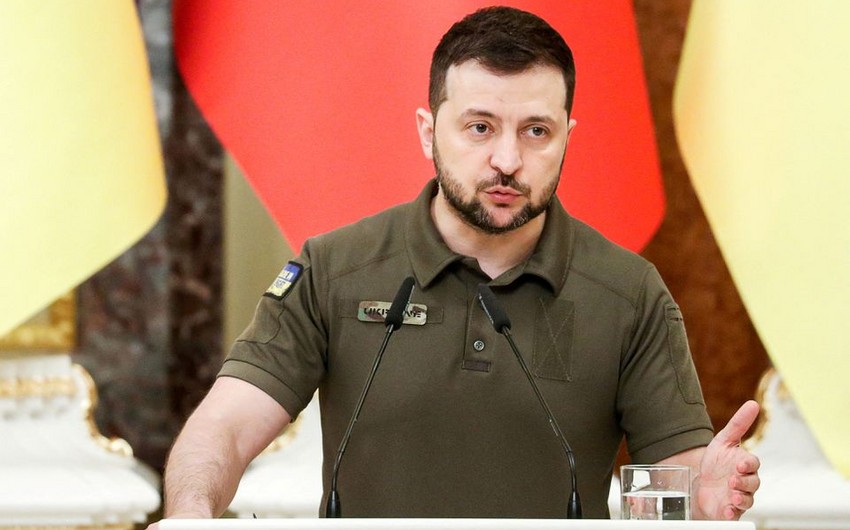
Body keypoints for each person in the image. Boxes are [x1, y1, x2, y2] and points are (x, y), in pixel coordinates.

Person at [150, 6, 760, 525]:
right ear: (428, 131)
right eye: (480, 127)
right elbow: (224, 428)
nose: (507, 160)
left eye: (536, 131)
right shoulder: (335, 269)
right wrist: (191, 513)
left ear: (568, 139)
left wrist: (700, 498)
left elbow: (669, 479)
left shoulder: (629, 292)